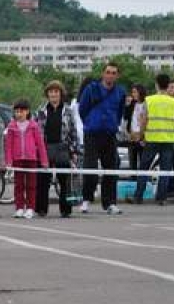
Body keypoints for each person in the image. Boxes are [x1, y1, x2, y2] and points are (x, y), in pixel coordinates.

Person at [77, 62, 126, 215]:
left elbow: (120, 111)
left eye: (113, 73)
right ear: (103, 74)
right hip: (92, 133)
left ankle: (110, 202)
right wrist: (91, 122)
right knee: (90, 167)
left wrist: (114, 124)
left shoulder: (120, 92)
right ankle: (86, 199)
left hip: (109, 134)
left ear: (117, 75)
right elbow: (82, 109)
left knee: (111, 169)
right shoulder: (91, 89)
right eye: (108, 72)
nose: (110, 75)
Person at [134, 74, 174, 207]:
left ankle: (138, 196)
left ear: (156, 84)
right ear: (168, 86)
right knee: (165, 170)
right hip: (168, 140)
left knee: (144, 168)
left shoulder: (149, 100)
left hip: (152, 139)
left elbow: (144, 120)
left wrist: (141, 135)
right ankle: (161, 198)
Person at [35, 81, 79, 218]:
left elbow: (73, 132)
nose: (53, 94)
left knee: (64, 180)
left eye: (56, 92)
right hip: (45, 147)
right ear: (47, 94)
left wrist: (74, 152)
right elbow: (35, 131)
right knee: (43, 180)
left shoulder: (68, 111)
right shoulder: (40, 111)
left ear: (61, 94)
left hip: (62, 147)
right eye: (51, 92)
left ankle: (65, 209)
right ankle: (41, 208)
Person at [5, 100, 46, 219]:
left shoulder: (34, 126)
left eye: (21, 111)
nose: (19, 114)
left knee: (31, 185)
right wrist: (9, 161)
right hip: (17, 159)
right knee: (18, 185)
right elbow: (8, 145)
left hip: (31, 159)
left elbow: (40, 144)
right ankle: (19, 208)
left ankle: (30, 208)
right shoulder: (11, 126)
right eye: (16, 111)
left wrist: (44, 161)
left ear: (27, 111)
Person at [124, 84, 147, 171]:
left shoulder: (146, 103)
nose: (133, 94)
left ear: (140, 92)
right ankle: (133, 180)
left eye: (135, 92)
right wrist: (127, 105)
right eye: (132, 92)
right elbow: (126, 117)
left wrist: (143, 135)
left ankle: (142, 182)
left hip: (142, 137)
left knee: (143, 162)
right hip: (132, 136)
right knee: (132, 162)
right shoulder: (132, 104)